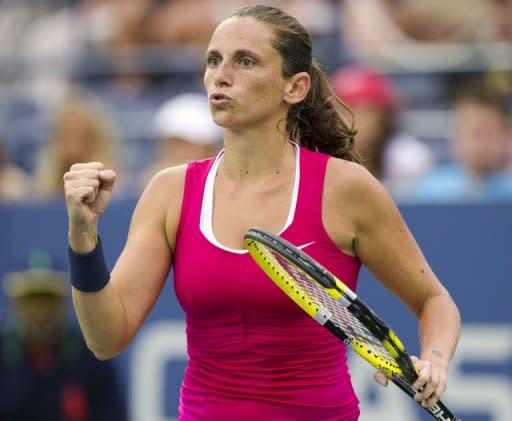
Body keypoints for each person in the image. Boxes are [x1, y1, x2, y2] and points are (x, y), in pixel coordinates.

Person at [63, 5, 461, 420]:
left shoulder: (345, 189)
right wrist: (83, 239)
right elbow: (105, 339)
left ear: (295, 87)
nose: (221, 74)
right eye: (213, 60)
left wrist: (434, 362)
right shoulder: (171, 191)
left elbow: (434, 300)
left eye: (246, 61)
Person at [0, 249, 126, 421]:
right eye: (31, 300)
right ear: (14, 304)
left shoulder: (92, 359)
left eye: (48, 299)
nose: (40, 313)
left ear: (65, 302)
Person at [330, 64, 434, 196]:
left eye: (367, 111)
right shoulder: (318, 155)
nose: (356, 121)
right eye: (348, 110)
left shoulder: (407, 156)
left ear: (384, 116)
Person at [407, 81, 512, 203]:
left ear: (505, 136)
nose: (481, 145)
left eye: (489, 134)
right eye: (474, 134)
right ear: (455, 137)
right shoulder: (428, 190)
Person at [34, 93, 124, 201]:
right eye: (66, 136)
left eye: (79, 136)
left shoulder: (112, 185)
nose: (72, 146)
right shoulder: (44, 186)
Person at [139, 92, 222, 190]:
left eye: (193, 144)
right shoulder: (154, 181)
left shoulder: (221, 182)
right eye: (179, 143)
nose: (186, 151)